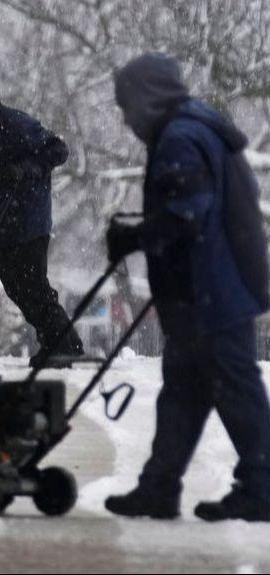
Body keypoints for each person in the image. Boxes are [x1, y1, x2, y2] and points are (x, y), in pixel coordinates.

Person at [104, 52, 270, 522]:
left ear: (146, 100)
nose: (126, 118)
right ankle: (159, 487)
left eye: (127, 106)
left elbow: (188, 211)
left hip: (211, 292)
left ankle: (263, 487)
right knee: (183, 392)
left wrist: (136, 236)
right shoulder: (195, 126)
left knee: (235, 390)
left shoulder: (179, 137)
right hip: (209, 289)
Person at [0, 69, 84, 368]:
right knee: (16, 290)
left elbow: (57, 149)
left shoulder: (15, 125)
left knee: (33, 286)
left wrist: (27, 169)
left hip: (27, 222)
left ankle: (67, 344)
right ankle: (53, 341)